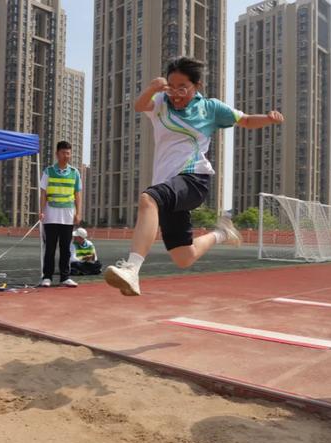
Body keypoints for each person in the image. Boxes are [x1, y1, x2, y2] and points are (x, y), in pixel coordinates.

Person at [105, 56, 285, 296]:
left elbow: (246, 120)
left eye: (183, 88)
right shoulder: (160, 102)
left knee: (148, 200)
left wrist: (269, 118)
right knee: (183, 257)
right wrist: (152, 88)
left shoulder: (210, 108)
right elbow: (139, 106)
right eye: (171, 87)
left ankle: (132, 270)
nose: (176, 94)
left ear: (196, 86)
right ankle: (222, 233)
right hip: (167, 185)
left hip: (194, 179)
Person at [39, 141, 82, 288]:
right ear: (57, 154)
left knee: (66, 248)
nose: (66, 156)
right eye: (64, 152)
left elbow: (77, 194)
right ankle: (47, 277)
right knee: (50, 247)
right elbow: (43, 192)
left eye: (69, 153)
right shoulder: (48, 171)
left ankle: (65, 277)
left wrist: (78, 213)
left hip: (68, 215)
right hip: (51, 214)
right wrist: (41, 210)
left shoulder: (75, 172)